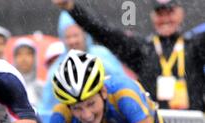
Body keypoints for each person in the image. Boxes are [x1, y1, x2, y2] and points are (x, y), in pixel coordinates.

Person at [51, 0, 205, 111]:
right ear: (152, 16)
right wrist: (71, 7)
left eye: (169, 13)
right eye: (160, 14)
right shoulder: (142, 50)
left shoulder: (196, 46)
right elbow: (103, 31)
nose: (165, 19)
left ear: (181, 14)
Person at [39, 10, 126, 114]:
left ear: (85, 35)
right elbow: (47, 109)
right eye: (68, 37)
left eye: (75, 35)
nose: (72, 41)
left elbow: (122, 83)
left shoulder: (103, 55)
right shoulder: (57, 69)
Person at [13, 37, 45, 107]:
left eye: (28, 54)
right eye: (19, 54)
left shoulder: (42, 87)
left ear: (35, 58)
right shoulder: (7, 86)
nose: (24, 58)